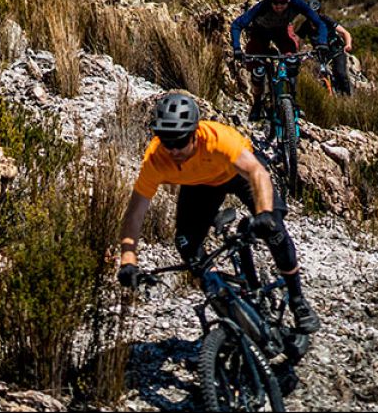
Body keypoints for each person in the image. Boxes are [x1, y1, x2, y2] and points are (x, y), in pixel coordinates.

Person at [116, 92, 321, 334]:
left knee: (274, 230)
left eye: (180, 141)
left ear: (194, 133)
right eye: (166, 141)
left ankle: (298, 301)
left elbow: (257, 173)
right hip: (200, 185)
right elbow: (135, 213)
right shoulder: (156, 158)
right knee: (187, 246)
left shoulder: (218, 140)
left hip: (238, 174)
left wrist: (265, 213)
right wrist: (128, 259)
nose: (173, 150)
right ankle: (227, 300)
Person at [230, 0, 329, 120]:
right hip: (260, 33)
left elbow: (320, 23)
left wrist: (322, 43)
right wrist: (237, 48)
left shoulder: (297, 3)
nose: (278, 6)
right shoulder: (262, 6)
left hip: (282, 32)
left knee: (292, 62)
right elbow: (237, 25)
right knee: (257, 72)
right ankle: (257, 104)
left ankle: (293, 102)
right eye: (274, 2)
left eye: (282, 2)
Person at [296, 0, 354, 95]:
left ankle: (348, 96)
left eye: (314, 13)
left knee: (340, 73)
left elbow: (345, 33)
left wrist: (348, 45)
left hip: (336, 51)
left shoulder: (326, 20)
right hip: (321, 55)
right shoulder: (305, 25)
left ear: (318, 12)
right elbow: (298, 40)